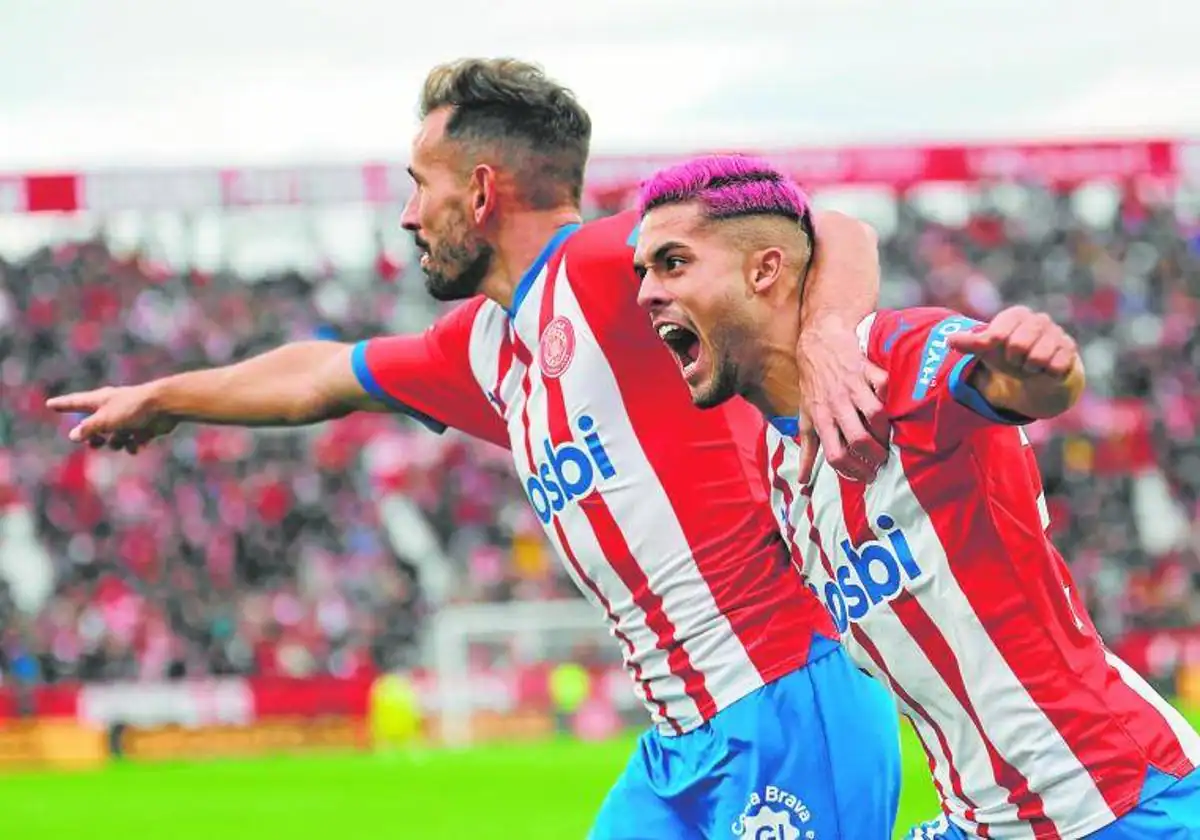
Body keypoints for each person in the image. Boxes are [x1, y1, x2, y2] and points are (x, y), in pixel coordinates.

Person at [47, 60, 901, 838]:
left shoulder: (610, 264)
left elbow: (833, 229)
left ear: (482, 191)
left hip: (789, 703)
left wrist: (828, 336)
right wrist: (166, 396)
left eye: (421, 186)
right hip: (679, 743)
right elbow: (318, 377)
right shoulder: (483, 347)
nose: (411, 215)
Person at [633, 153, 1200, 839]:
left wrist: (1046, 371)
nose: (646, 294)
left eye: (673, 263)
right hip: (981, 820)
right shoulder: (778, 462)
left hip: (1116, 803)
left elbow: (1010, 387)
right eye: (644, 272)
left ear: (765, 271)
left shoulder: (895, 357)